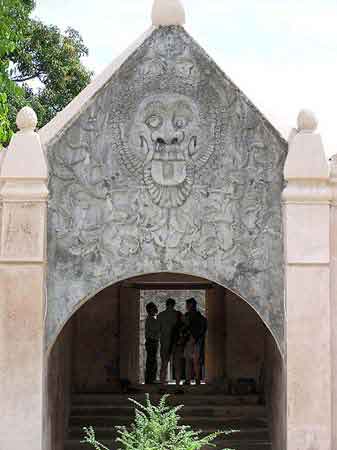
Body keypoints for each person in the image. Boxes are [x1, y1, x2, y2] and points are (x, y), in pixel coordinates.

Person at [184, 298, 207, 385]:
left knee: (192, 361)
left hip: (194, 341)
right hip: (195, 341)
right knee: (194, 361)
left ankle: (189, 380)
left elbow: (201, 330)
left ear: (191, 305)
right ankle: (195, 379)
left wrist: (194, 338)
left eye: (187, 305)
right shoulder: (200, 317)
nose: (186, 307)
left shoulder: (193, 317)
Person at [157, 298, 178, 386]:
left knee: (164, 363)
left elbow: (158, 329)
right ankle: (177, 383)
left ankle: (162, 382)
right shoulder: (177, 314)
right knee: (177, 363)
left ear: (166, 304)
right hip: (175, 342)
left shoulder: (160, 315)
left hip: (164, 341)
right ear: (174, 304)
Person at [171, 311, 189, 391]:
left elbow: (173, 338)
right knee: (182, 365)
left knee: (178, 366)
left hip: (177, 347)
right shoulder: (184, 326)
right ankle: (181, 382)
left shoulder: (174, 326)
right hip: (182, 347)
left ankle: (178, 383)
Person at [145, 302, 160, 384]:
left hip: (151, 341)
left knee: (151, 360)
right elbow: (156, 329)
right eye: (154, 307)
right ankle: (151, 379)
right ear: (150, 309)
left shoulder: (150, 319)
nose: (155, 309)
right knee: (152, 361)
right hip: (152, 341)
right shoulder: (151, 319)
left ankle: (150, 379)